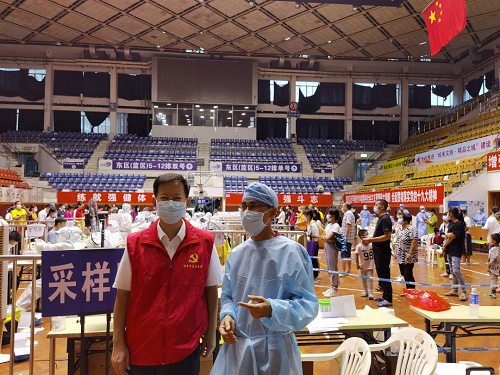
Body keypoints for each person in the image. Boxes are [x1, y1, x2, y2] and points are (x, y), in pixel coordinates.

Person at [112, 173, 223, 375]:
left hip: (185, 351)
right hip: (141, 350)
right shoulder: (135, 244)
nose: (170, 203)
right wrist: (118, 343)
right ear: (155, 202)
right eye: (164, 198)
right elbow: (122, 296)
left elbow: (211, 291)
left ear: (186, 201)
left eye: (177, 198)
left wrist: (211, 333)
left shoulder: (205, 242)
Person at [212, 182, 318, 375]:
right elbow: (227, 296)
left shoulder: (291, 252)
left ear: (272, 212)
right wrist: (228, 316)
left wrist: (272, 309)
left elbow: (308, 305)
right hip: (238, 347)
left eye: (254, 206)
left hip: (275, 351)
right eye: (244, 206)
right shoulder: (236, 254)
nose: (246, 211)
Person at [364, 199, 393, 307]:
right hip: (378, 251)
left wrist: (371, 240)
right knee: (381, 274)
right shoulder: (380, 218)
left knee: (385, 274)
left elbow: (387, 236)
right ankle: (384, 295)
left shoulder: (385, 218)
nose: (374, 206)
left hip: (383, 252)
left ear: (382, 207)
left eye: (376, 205)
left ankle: (389, 299)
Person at [443, 207, 467, 301]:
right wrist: (448, 236)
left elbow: (452, 236)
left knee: (456, 271)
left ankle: (464, 292)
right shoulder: (451, 223)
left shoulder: (459, 224)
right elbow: (446, 235)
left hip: (456, 250)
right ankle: (455, 290)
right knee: (453, 271)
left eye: (448, 213)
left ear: (451, 213)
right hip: (449, 249)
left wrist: (444, 244)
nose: (447, 214)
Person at [321, 208, 342, 298]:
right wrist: (327, 238)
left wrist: (327, 237)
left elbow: (328, 237)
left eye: (329, 214)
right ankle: (332, 287)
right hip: (327, 245)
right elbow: (323, 236)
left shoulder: (336, 226)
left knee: (333, 267)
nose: (327, 216)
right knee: (329, 267)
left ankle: (335, 289)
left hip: (332, 247)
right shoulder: (329, 225)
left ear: (333, 216)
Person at [395, 213, 418, 291]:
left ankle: (412, 291)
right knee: (404, 274)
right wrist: (395, 252)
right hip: (400, 255)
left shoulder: (412, 229)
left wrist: (410, 254)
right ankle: (408, 290)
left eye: (401, 217)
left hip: (408, 255)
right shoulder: (400, 229)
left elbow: (414, 241)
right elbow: (397, 241)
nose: (399, 219)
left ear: (405, 220)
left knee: (408, 273)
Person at [355, 229, 375, 299]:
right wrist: (357, 264)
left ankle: (370, 292)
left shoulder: (371, 244)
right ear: (362, 237)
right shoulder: (359, 246)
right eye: (366, 234)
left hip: (371, 265)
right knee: (364, 279)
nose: (368, 235)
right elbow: (356, 256)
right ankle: (365, 291)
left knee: (370, 279)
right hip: (363, 266)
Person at [304, 209, 321, 282]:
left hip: (313, 244)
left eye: (305, 216)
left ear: (309, 216)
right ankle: (313, 275)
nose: (304, 217)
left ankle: (316, 276)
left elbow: (317, 235)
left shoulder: (313, 224)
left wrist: (309, 235)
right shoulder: (309, 224)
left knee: (314, 260)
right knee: (311, 260)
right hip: (310, 243)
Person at [340, 203, 356, 276]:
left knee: (344, 255)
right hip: (348, 238)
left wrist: (345, 235)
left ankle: (343, 271)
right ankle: (348, 270)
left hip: (346, 238)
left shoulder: (348, 214)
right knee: (348, 255)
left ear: (346, 207)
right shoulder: (349, 214)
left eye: (343, 206)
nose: (342, 208)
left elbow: (348, 224)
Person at [439, 214, 453, 279]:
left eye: (446, 215)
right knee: (445, 258)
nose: (444, 217)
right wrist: (443, 236)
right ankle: (447, 272)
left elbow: (451, 235)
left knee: (450, 259)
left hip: (450, 243)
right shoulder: (442, 225)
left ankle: (452, 273)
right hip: (444, 243)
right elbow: (440, 233)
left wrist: (447, 236)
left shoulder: (452, 224)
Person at [487, 233, 500, 298]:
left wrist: (488, 267)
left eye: (491, 240)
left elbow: (491, 260)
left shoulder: (493, 250)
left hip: (494, 268)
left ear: (494, 241)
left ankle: (493, 293)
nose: (490, 241)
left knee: (493, 279)